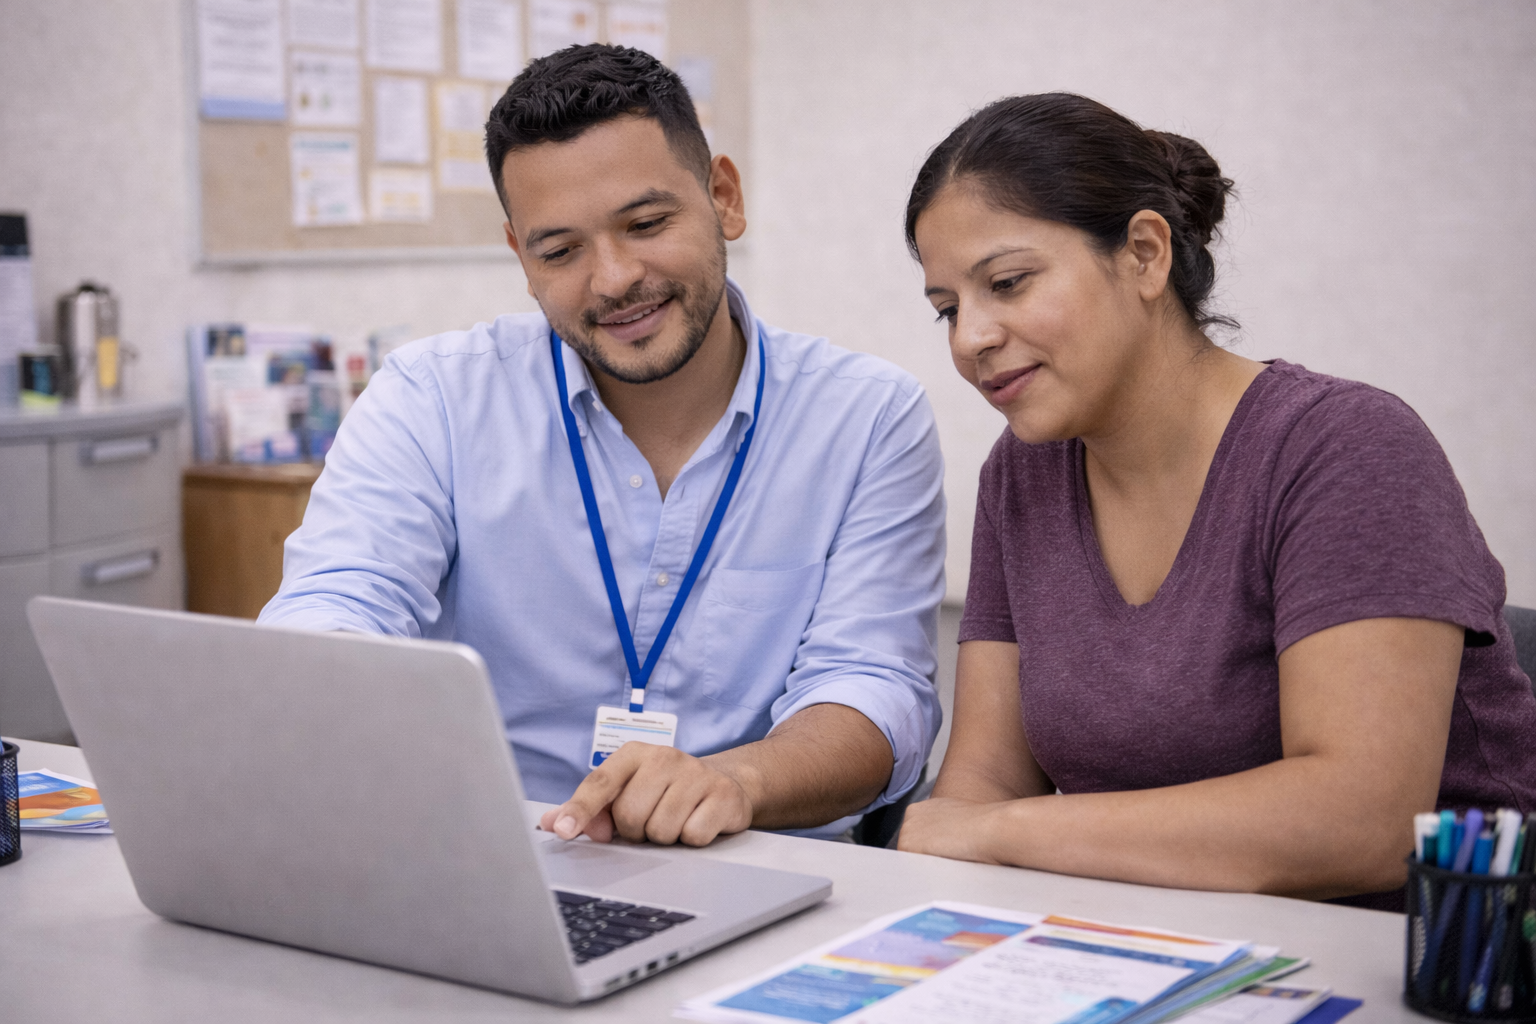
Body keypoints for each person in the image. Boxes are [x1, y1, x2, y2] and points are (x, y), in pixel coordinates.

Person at [260, 45, 945, 848]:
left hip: (758, 863)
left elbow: (875, 690)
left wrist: (732, 781)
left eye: (646, 224)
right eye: (561, 251)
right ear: (521, 258)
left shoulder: (867, 418)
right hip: (497, 859)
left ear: (723, 197)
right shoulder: (433, 397)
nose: (614, 278)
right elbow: (338, 601)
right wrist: (324, 679)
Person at [896, 92, 1536, 909]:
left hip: (1425, 955)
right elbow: (982, 781)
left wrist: (999, 832)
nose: (968, 339)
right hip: (1151, 940)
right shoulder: (1020, 475)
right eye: (947, 310)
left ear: (1145, 254)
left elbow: (1362, 821)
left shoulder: (1343, 446)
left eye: (1009, 284)